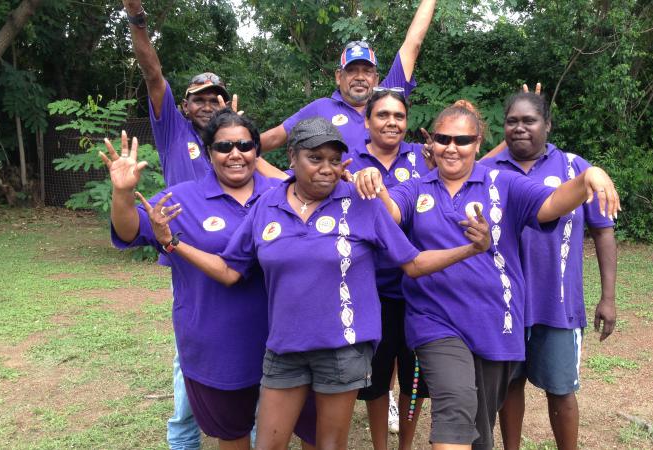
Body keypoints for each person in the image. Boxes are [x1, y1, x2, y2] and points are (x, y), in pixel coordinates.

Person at [142, 117, 491, 449]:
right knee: (269, 443)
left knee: (329, 444)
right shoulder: (267, 205)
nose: (326, 167)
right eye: (315, 158)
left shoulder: (361, 204)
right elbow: (229, 270)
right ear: (292, 157)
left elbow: (413, 263)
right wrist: (173, 242)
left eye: (334, 159)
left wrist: (471, 249)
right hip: (283, 349)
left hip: (343, 349)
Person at [354, 100, 620, 450]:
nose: (451, 147)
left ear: (478, 142)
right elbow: (390, 208)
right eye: (443, 139)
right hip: (434, 321)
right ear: (431, 142)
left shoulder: (503, 183)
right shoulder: (418, 188)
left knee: (481, 426)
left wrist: (590, 176)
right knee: (456, 403)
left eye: (461, 140)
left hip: (495, 323)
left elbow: (553, 203)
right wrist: (373, 182)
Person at [102, 111, 316, 450]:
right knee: (233, 436)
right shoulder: (182, 199)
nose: (235, 153)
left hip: (287, 344)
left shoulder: (284, 193)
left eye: (245, 145)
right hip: (218, 349)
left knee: (291, 433)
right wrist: (123, 194)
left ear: (257, 151)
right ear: (208, 153)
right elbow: (130, 231)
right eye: (224, 146)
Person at [122, 1, 238, 447]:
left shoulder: (234, 144)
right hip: (184, 257)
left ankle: (245, 429)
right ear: (185, 105)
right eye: (199, 99)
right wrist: (137, 20)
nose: (207, 105)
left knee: (247, 341)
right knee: (187, 351)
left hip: (235, 255)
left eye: (216, 99)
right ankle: (184, 438)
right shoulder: (172, 130)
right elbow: (153, 74)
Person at [482, 93, 617, 450]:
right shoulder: (489, 172)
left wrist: (608, 298)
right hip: (505, 305)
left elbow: (603, 232)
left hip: (557, 306)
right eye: (512, 121)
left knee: (561, 390)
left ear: (548, 125)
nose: (520, 128)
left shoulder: (575, 168)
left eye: (530, 121)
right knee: (510, 386)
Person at [347, 88, 431, 450]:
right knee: (377, 380)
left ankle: (406, 446)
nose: (391, 122)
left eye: (398, 116)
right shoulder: (347, 161)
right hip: (370, 290)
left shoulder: (424, 158)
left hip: (419, 290)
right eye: (382, 115)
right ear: (367, 122)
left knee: (414, 377)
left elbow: (472, 160)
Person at [257, 0, 436, 155]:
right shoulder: (320, 108)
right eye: (351, 71)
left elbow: (413, 43)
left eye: (367, 71)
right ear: (338, 76)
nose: (359, 77)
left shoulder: (388, 97)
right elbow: (274, 138)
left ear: (376, 78)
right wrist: (233, 142)